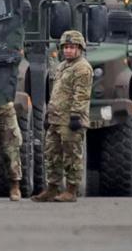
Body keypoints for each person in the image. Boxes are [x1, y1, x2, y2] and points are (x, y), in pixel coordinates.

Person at [32, 30, 93, 202]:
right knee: (52, 154)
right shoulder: (61, 66)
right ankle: (52, 188)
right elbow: (56, 93)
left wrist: (76, 115)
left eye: (72, 47)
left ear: (80, 49)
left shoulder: (82, 68)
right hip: (56, 118)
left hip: (71, 119)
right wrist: (48, 115)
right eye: (65, 47)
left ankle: (71, 190)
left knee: (72, 155)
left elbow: (81, 94)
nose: (68, 51)